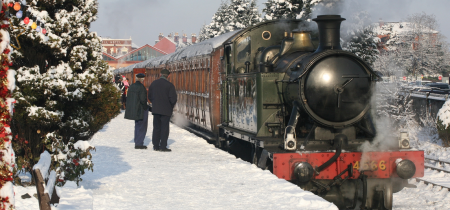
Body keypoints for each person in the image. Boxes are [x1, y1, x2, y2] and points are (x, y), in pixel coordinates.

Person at [148, 69, 177, 152]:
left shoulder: (154, 84)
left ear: (160, 74)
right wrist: (170, 106)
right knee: (164, 128)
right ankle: (163, 146)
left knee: (156, 127)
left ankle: (156, 145)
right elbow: (173, 99)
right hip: (166, 110)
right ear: (168, 75)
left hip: (156, 109)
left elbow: (150, 96)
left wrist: (154, 103)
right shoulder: (170, 85)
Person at [124, 73, 149, 149]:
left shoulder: (131, 86)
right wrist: (146, 107)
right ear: (142, 79)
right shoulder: (141, 87)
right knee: (142, 126)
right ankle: (139, 143)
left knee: (137, 125)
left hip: (134, 109)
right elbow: (143, 100)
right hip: (140, 109)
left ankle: (137, 141)